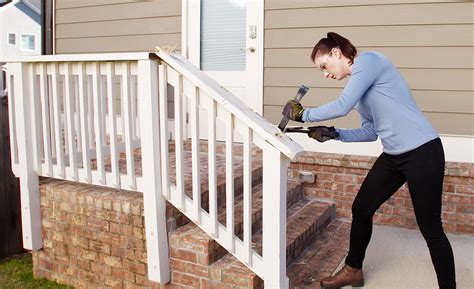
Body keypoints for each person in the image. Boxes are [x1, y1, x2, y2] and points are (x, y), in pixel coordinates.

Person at [282, 32, 456, 289]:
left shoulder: (370, 62)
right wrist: (334, 134)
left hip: (423, 151)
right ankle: (353, 270)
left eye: (324, 66)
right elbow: (370, 131)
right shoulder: (360, 92)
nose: (325, 74)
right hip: (394, 156)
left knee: (431, 228)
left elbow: (341, 106)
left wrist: (304, 114)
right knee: (361, 208)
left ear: (337, 53)